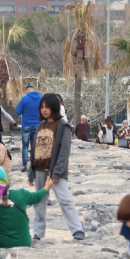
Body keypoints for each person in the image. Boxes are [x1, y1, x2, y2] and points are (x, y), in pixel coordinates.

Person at [31, 93, 86, 241]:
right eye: (41, 107)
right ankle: (38, 233)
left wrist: (56, 172)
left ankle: (77, 230)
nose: (44, 110)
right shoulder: (40, 126)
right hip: (39, 169)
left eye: (47, 107)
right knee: (39, 202)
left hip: (55, 172)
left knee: (64, 199)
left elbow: (64, 151)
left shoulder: (63, 126)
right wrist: (31, 172)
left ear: (54, 107)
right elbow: (35, 149)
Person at [0, 165, 53, 248]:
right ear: (6, 180)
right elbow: (36, 197)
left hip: (1, 245)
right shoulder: (21, 194)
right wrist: (47, 187)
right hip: (24, 243)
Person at [16, 84, 41, 173]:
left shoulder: (25, 99)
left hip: (26, 125)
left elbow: (18, 112)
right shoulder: (40, 99)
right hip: (38, 125)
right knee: (35, 147)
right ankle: (34, 165)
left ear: (27, 91)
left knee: (25, 147)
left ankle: (24, 166)